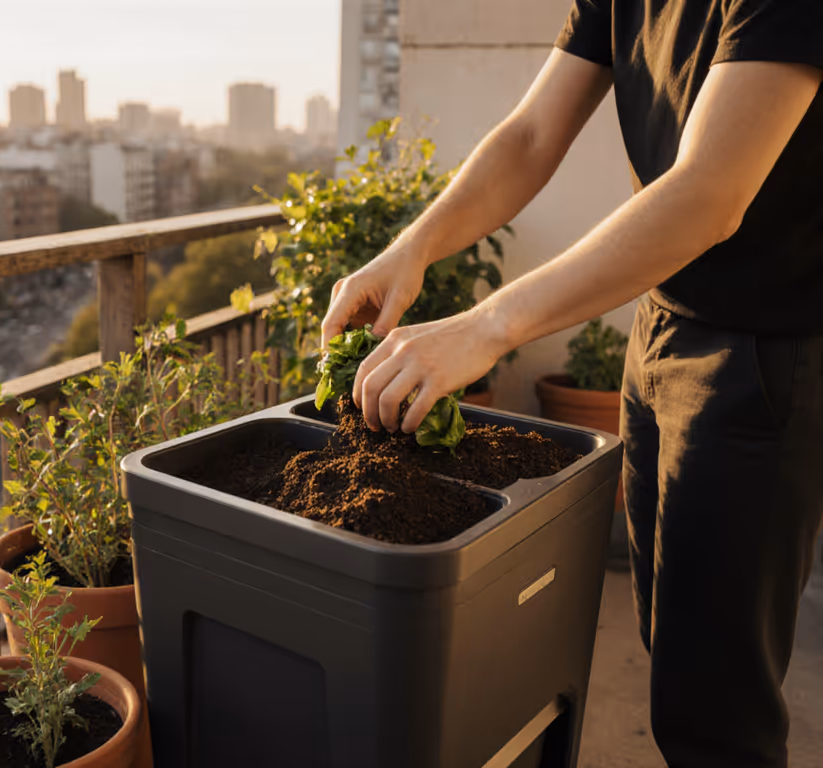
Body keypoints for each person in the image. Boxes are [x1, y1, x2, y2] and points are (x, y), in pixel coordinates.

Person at [321, 2, 823, 766]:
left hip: (761, 350)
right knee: (674, 649)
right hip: (660, 324)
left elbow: (709, 195)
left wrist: (484, 328)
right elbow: (528, 137)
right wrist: (411, 249)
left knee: (719, 713)